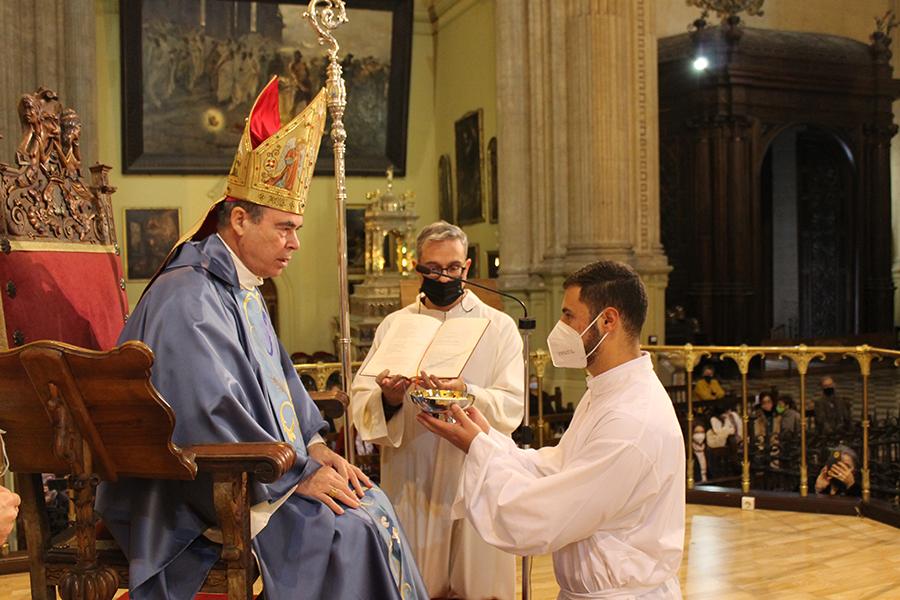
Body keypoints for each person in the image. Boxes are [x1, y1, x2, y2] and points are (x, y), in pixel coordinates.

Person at [96, 78, 426, 600]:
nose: (295, 243)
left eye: (297, 228)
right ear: (241, 219)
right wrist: (296, 476)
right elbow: (204, 411)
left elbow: (283, 386)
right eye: (285, 228)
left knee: (372, 504)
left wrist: (316, 447)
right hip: (197, 493)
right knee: (347, 529)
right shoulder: (188, 297)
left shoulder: (243, 288)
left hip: (258, 474)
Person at [418, 261, 685, 599]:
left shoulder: (631, 419)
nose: (560, 326)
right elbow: (557, 468)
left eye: (569, 315)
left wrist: (479, 448)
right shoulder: (607, 393)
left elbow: (546, 515)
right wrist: (485, 439)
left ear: (608, 320)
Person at [350, 221, 524, 599]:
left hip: (474, 471)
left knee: (479, 585)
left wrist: (467, 393)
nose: (443, 277)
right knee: (418, 582)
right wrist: (390, 399)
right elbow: (362, 399)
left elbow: (512, 405)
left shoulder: (499, 327)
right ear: (417, 266)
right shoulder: (396, 326)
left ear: (468, 266)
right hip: (415, 474)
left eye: (452, 268)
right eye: (433, 268)